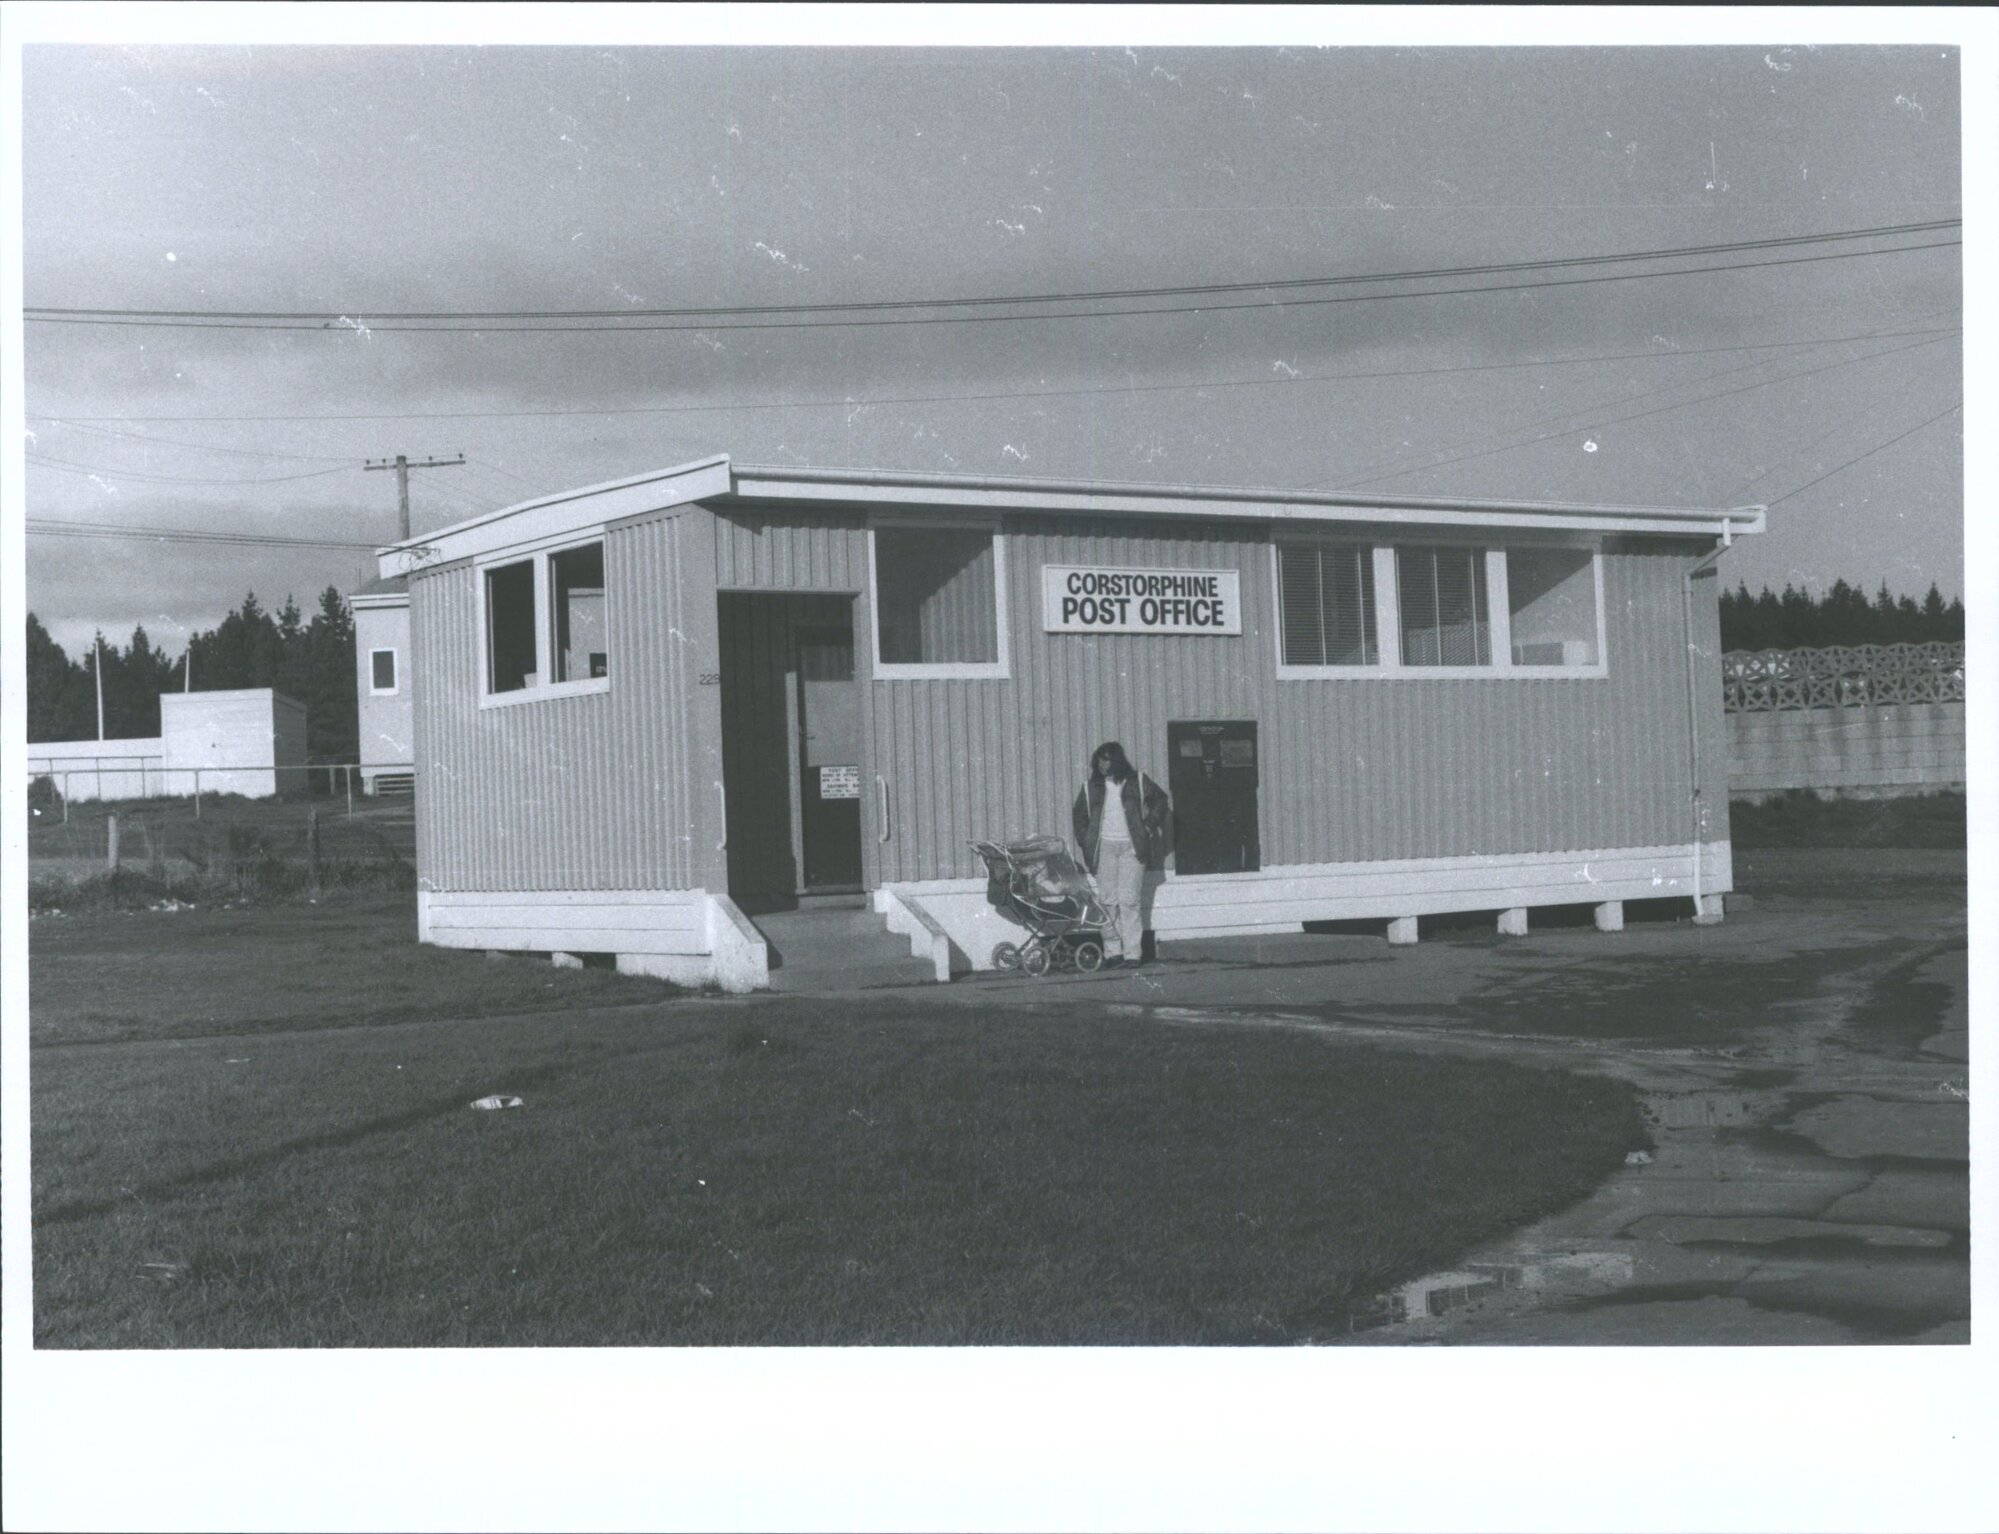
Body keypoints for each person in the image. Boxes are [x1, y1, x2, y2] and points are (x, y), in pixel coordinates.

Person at [1072, 741, 1170, 966]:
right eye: (1100, 759)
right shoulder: (1090, 787)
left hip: (1132, 847)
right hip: (1104, 847)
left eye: (1107, 758)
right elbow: (1079, 818)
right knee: (1107, 901)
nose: (1103, 763)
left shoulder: (1138, 781)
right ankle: (1113, 952)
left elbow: (1161, 800)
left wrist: (1148, 825)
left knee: (1130, 901)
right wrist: (1086, 840)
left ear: (1117, 760)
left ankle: (1133, 954)